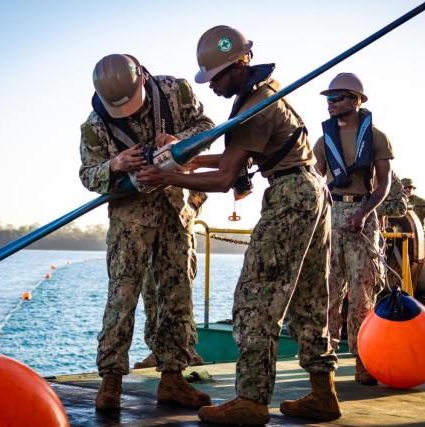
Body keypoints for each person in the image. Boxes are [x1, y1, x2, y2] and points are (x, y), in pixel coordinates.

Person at [137, 25, 340, 425]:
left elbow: (226, 177)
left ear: (237, 66)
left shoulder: (252, 106)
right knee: (310, 298)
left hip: (289, 197)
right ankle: (323, 393)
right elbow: (237, 156)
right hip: (312, 190)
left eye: (215, 78)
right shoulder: (266, 92)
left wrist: (168, 177)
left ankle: (250, 399)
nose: (210, 86)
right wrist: (186, 161)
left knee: (255, 299)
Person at [79, 53, 215, 411]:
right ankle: (110, 381)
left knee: (177, 296)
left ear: (142, 78)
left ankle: (172, 379)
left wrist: (178, 142)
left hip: (176, 210)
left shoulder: (176, 90)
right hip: (130, 220)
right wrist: (114, 165)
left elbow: (207, 127)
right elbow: (87, 175)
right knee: (121, 299)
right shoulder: (95, 125)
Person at [312, 72, 393, 386]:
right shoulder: (323, 141)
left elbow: (384, 184)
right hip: (331, 216)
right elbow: (315, 183)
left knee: (361, 297)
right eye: (328, 99)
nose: (330, 104)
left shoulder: (377, 137)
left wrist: (362, 213)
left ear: (357, 100)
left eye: (337, 98)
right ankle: (324, 366)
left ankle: (364, 361)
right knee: (328, 295)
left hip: (362, 217)